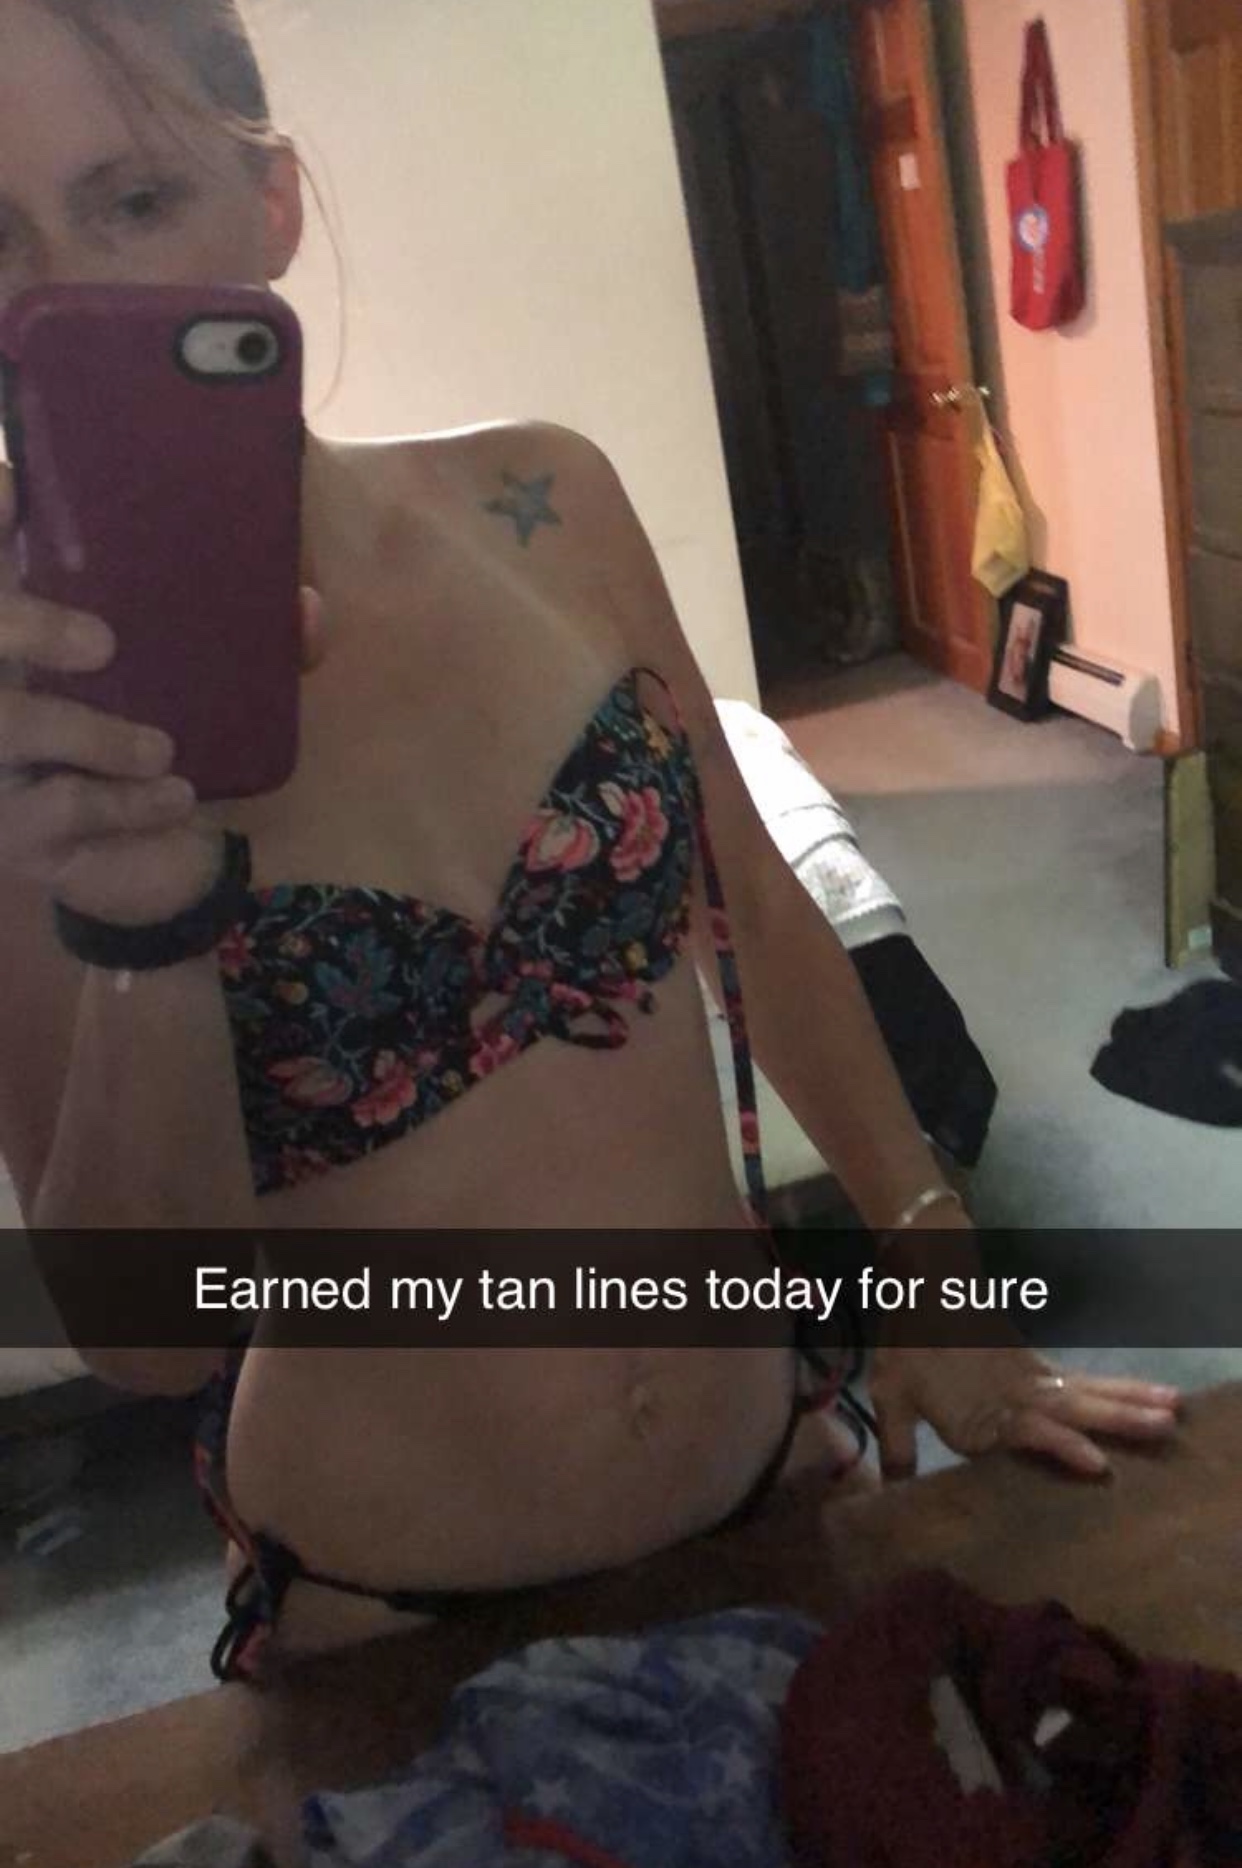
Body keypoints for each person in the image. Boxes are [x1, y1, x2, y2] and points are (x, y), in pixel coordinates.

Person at [0, 0, 1180, 1677]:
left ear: (269, 206)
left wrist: (932, 1264)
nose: (61, 297)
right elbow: (139, 1337)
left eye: (133, 200)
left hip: (775, 1465)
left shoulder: (540, 497)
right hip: (395, 1617)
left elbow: (753, 901)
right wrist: (144, 936)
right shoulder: (25, 715)